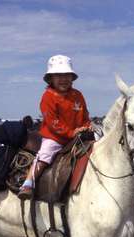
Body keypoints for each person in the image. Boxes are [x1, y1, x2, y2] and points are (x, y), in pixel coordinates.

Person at [18, 54, 90, 200]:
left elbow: (85, 116)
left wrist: (87, 126)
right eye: (58, 75)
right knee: (45, 154)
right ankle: (28, 182)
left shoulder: (78, 95)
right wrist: (72, 132)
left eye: (67, 75)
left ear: (72, 77)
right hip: (55, 138)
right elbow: (53, 122)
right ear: (51, 79)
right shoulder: (48, 97)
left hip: (78, 136)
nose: (63, 79)